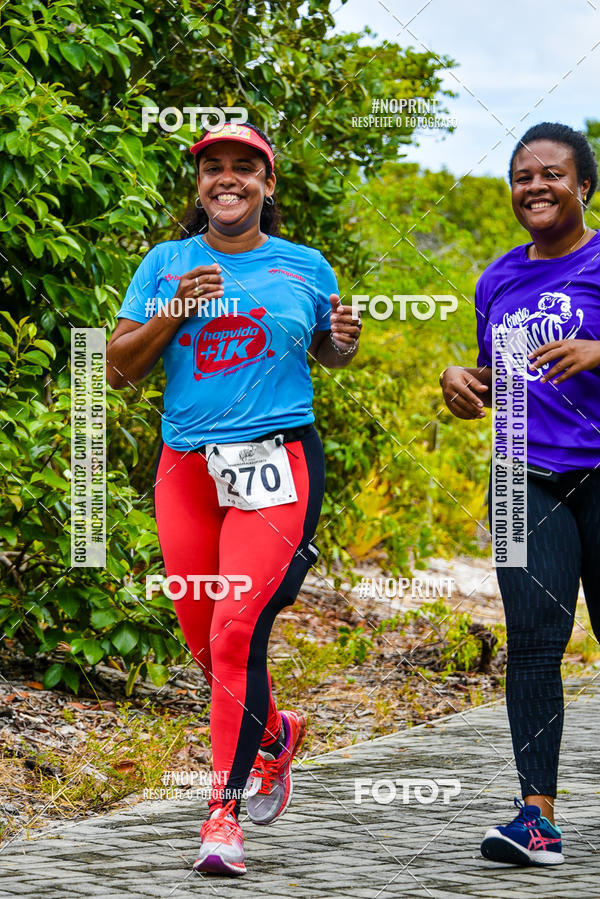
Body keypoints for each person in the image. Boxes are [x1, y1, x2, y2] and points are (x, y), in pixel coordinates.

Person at [106, 122, 361, 875]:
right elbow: (116, 370)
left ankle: (223, 810)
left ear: (267, 185)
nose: (227, 178)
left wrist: (342, 338)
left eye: (243, 168)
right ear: (199, 185)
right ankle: (275, 734)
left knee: (234, 627)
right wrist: (173, 310)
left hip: (276, 460)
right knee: (202, 635)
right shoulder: (166, 262)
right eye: (212, 167)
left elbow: (328, 348)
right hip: (187, 467)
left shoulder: (305, 266)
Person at [440, 122, 600, 867]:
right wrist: (459, 385)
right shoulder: (496, 279)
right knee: (533, 645)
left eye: (552, 174)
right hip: (518, 475)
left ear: (585, 187)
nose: (535, 186)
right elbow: (488, 377)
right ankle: (536, 817)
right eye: (522, 176)